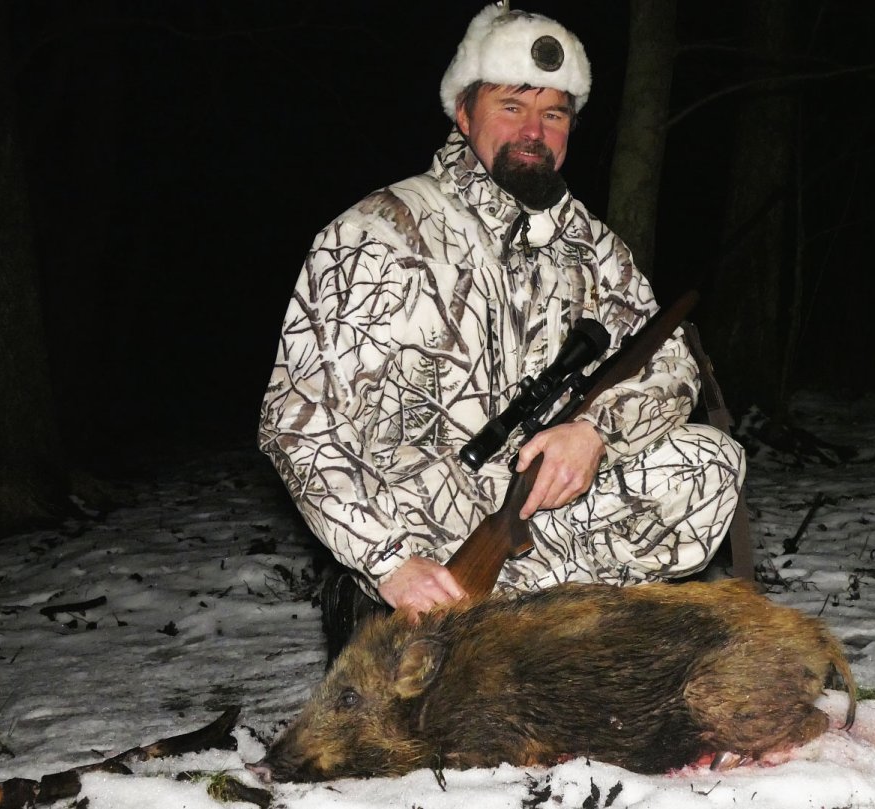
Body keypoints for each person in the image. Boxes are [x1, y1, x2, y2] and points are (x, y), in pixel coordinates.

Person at [258, 5, 745, 653]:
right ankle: (410, 622)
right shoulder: (376, 233)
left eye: (554, 113)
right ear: (463, 114)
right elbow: (295, 422)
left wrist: (592, 430)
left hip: (535, 516)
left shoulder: (592, 247)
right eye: (511, 106)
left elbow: (671, 367)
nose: (534, 130)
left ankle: (557, 632)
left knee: (707, 463)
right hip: (414, 535)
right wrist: (387, 563)